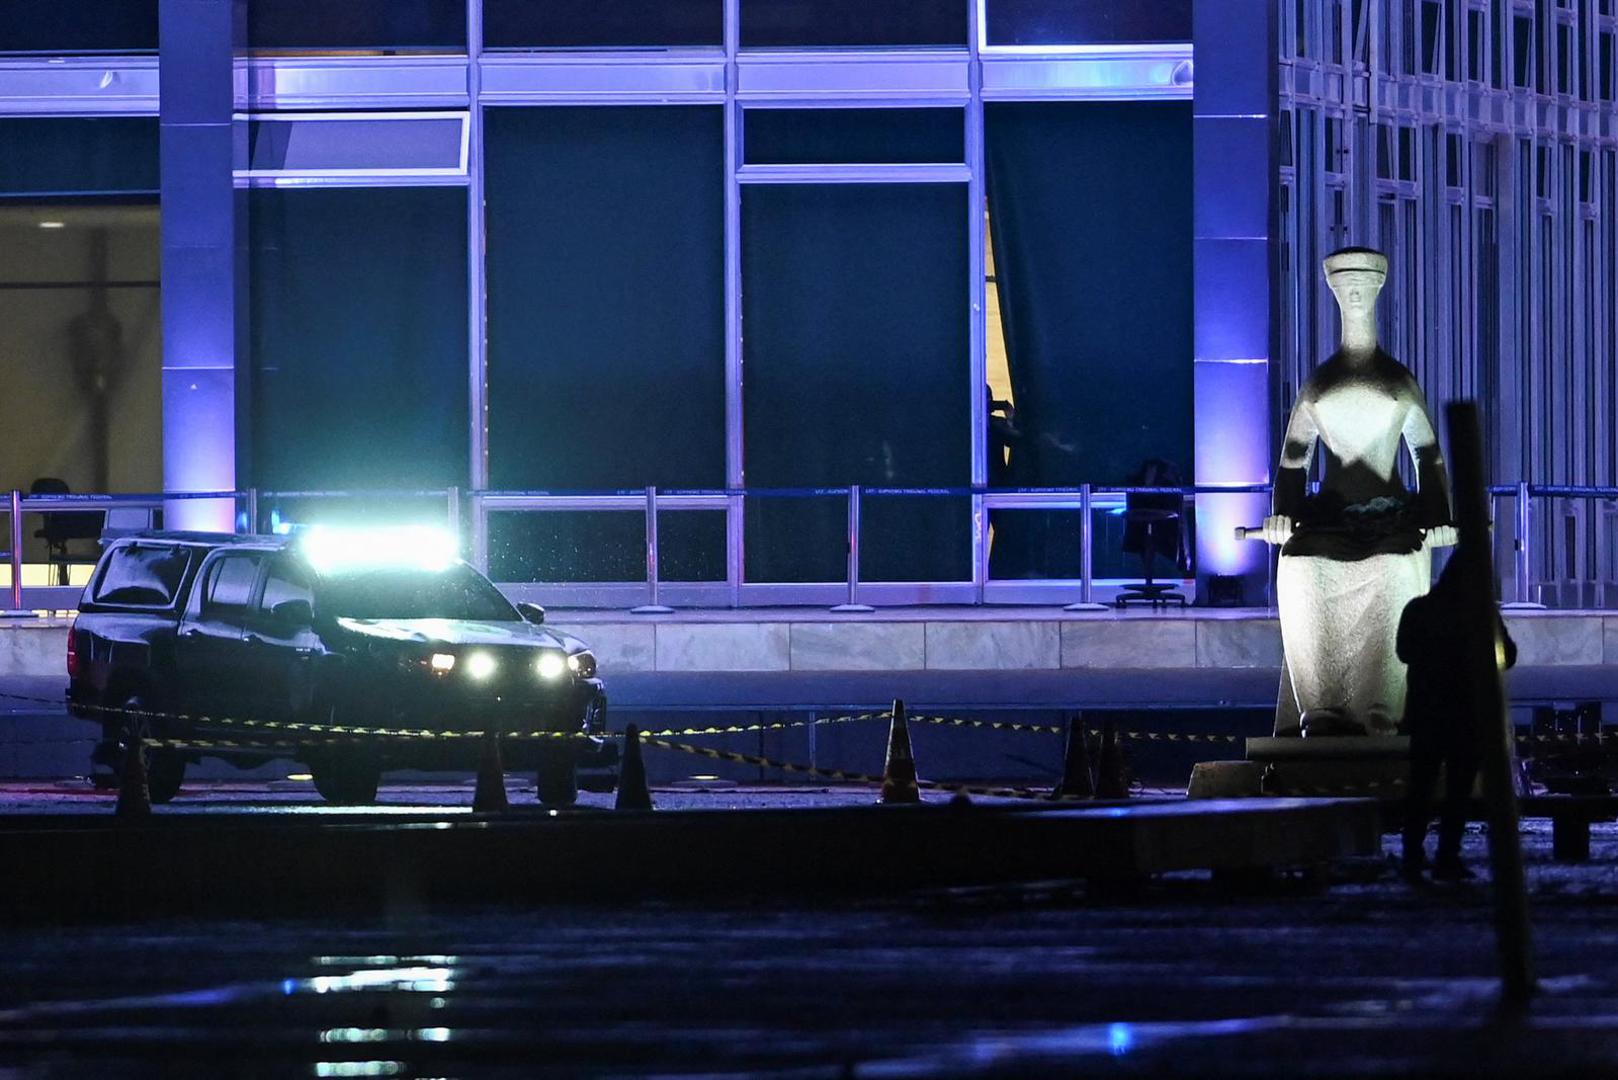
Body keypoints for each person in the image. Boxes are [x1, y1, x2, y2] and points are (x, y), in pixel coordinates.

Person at [1259, 247, 1457, 737]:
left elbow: (1427, 456)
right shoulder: (1320, 385)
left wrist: (1437, 515)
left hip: (1391, 521)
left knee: (1393, 570)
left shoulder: (1397, 381)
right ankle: (1322, 705)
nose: (1355, 295)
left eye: (1363, 289)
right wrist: (1283, 514)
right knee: (1300, 567)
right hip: (1329, 519)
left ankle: (1381, 706)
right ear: (1335, 296)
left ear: (1376, 293)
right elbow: (1292, 462)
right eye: (1347, 290)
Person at [1397, 549, 1517, 881]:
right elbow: (1508, 655)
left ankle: (1411, 854)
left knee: (1420, 789)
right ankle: (1447, 856)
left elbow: (1403, 651)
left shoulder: (1419, 609)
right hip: (1467, 715)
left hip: (1426, 714)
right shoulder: (1481, 616)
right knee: (1458, 793)